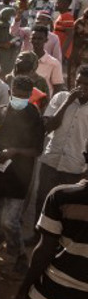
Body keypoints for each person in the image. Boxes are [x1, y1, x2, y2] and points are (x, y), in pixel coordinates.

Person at [0, 76, 44, 275]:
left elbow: (37, 150)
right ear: (10, 93)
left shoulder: (34, 116)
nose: (20, 99)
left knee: (8, 221)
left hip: (18, 178)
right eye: (17, 95)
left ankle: (19, 254)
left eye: (25, 96)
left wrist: (14, 151)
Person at [13, 156, 88, 299]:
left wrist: (23, 290)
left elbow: (45, 250)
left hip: (51, 293)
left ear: (85, 155)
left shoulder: (61, 196)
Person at [35, 65, 88, 219]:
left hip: (74, 167)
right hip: (50, 160)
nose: (81, 87)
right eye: (78, 82)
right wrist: (68, 102)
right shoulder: (61, 98)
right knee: (42, 200)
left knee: (64, 207)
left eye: (86, 84)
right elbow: (48, 126)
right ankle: (37, 236)